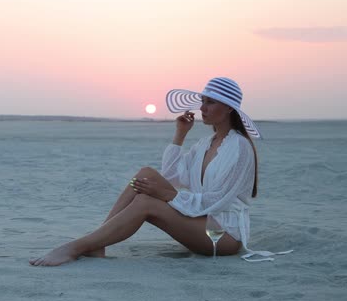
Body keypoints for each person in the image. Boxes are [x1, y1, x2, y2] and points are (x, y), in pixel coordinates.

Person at [29, 77, 290, 267]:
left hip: (224, 235)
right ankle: (97, 242)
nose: (203, 108)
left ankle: (75, 248)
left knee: (146, 202)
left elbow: (216, 201)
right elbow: (171, 176)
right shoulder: (204, 145)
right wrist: (179, 135)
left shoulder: (240, 148)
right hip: (202, 222)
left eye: (210, 103)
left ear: (229, 108)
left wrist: (167, 196)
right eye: (203, 101)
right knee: (146, 173)